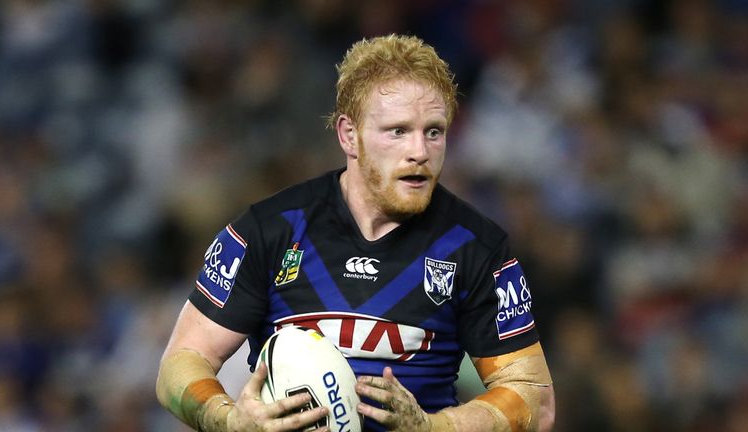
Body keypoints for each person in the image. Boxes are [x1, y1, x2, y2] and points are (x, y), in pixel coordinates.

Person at [156, 34, 556, 432]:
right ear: (349, 135)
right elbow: (183, 361)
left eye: (434, 131)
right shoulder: (269, 229)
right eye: (397, 131)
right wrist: (228, 419)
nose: (419, 150)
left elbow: (533, 398)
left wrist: (435, 428)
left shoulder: (476, 247)